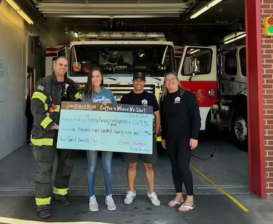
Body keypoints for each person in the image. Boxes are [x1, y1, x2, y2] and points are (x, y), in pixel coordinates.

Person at [30, 56, 82, 219]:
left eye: (66, 65)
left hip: (65, 135)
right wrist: (49, 124)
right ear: (54, 65)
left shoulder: (72, 85)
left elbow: (79, 107)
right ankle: (43, 204)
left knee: (66, 165)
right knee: (44, 170)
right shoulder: (43, 83)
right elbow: (36, 109)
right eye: (60, 65)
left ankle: (60, 194)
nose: (63, 68)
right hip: (46, 134)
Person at [159, 72, 201, 212]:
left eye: (172, 79)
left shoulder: (188, 96)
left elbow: (196, 117)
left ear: (177, 81)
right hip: (170, 139)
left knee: (183, 167)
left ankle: (190, 199)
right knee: (175, 168)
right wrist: (163, 137)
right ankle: (179, 197)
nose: (170, 81)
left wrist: (194, 137)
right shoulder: (164, 98)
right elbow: (164, 121)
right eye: (167, 80)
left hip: (185, 138)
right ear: (165, 84)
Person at [120, 72, 161, 206]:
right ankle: (131, 191)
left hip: (146, 136)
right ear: (133, 82)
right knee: (132, 165)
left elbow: (157, 115)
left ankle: (151, 192)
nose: (138, 83)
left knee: (149, 165)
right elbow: (120, 117)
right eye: (136, 80)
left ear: (144, 82)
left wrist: (156, 133)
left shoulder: (150, 97)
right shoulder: (126, 98)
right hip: (130, 137)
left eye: (141, 80)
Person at [81, 67, 117, 212]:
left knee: (107, 168)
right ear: (90, 79)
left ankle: (109, 197)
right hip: (92, 136)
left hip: (107, 135)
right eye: (93, 76)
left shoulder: (109, 93)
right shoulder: (86, 94)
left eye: (98, 76)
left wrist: (111, 107)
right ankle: (92, 198)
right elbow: (83, 115)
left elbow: (117, 113)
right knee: (91, 167)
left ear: (102, 78)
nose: (95, 79)